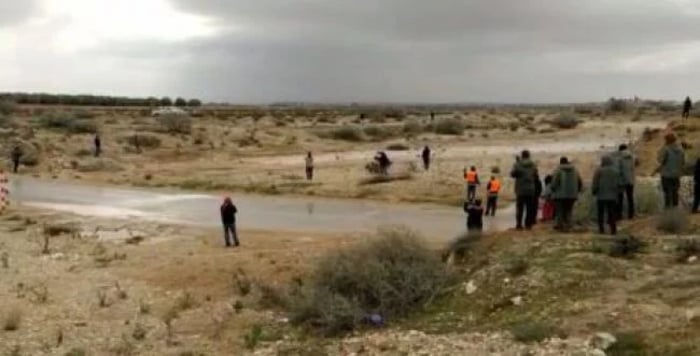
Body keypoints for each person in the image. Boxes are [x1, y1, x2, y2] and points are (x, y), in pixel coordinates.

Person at [551, 156, 583, 232]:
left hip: (559, 195)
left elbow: (554, 183)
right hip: (572, 194)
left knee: (560, 211)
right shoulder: (575, 170)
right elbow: (579, 182)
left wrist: (553, 189)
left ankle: (560, 226)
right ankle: (569, 225)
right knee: (569, 210)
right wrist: (577, 191)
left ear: (560, 162)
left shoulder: (558, 170)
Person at [592, 156, 622, 235]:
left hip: (601, 196)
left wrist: (594, 191)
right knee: (611, 213)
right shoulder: (615, 171)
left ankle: (601, 229)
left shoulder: (599, 171)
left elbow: (595, 182)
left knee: (600, 213)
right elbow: (619, 183)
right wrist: (618, 193)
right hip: (612, 196)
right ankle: (613, 230)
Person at [510, 150, 539, 230]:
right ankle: (528, 224)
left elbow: (512, 174)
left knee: (520, 208)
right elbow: (536, 175)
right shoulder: (533, 164)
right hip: (530, 189)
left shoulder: (518, 164)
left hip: (520, 189)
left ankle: (519, 224)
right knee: (529, 208)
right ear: (529, 155)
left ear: (522, 156)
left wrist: (518, 164)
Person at [656, 133, 685, 209]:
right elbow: (683, 162)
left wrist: (663, 147)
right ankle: (675, 209)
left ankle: (668, 210)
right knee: (675, 192)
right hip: (676, 174)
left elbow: (660, 159)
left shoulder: (666, 149)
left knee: (667, 193)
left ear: (667, 140)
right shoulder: (681, 149)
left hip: (666, 174)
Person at [615, 144, 636, 219]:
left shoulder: (619, 158)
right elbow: (633, 168)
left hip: (621, 181)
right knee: (630, 198)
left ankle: (619, 215)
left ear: (620, 150)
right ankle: (631, 215)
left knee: (620, 198)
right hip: (630, 180)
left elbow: (618, 170)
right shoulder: (632, 157)